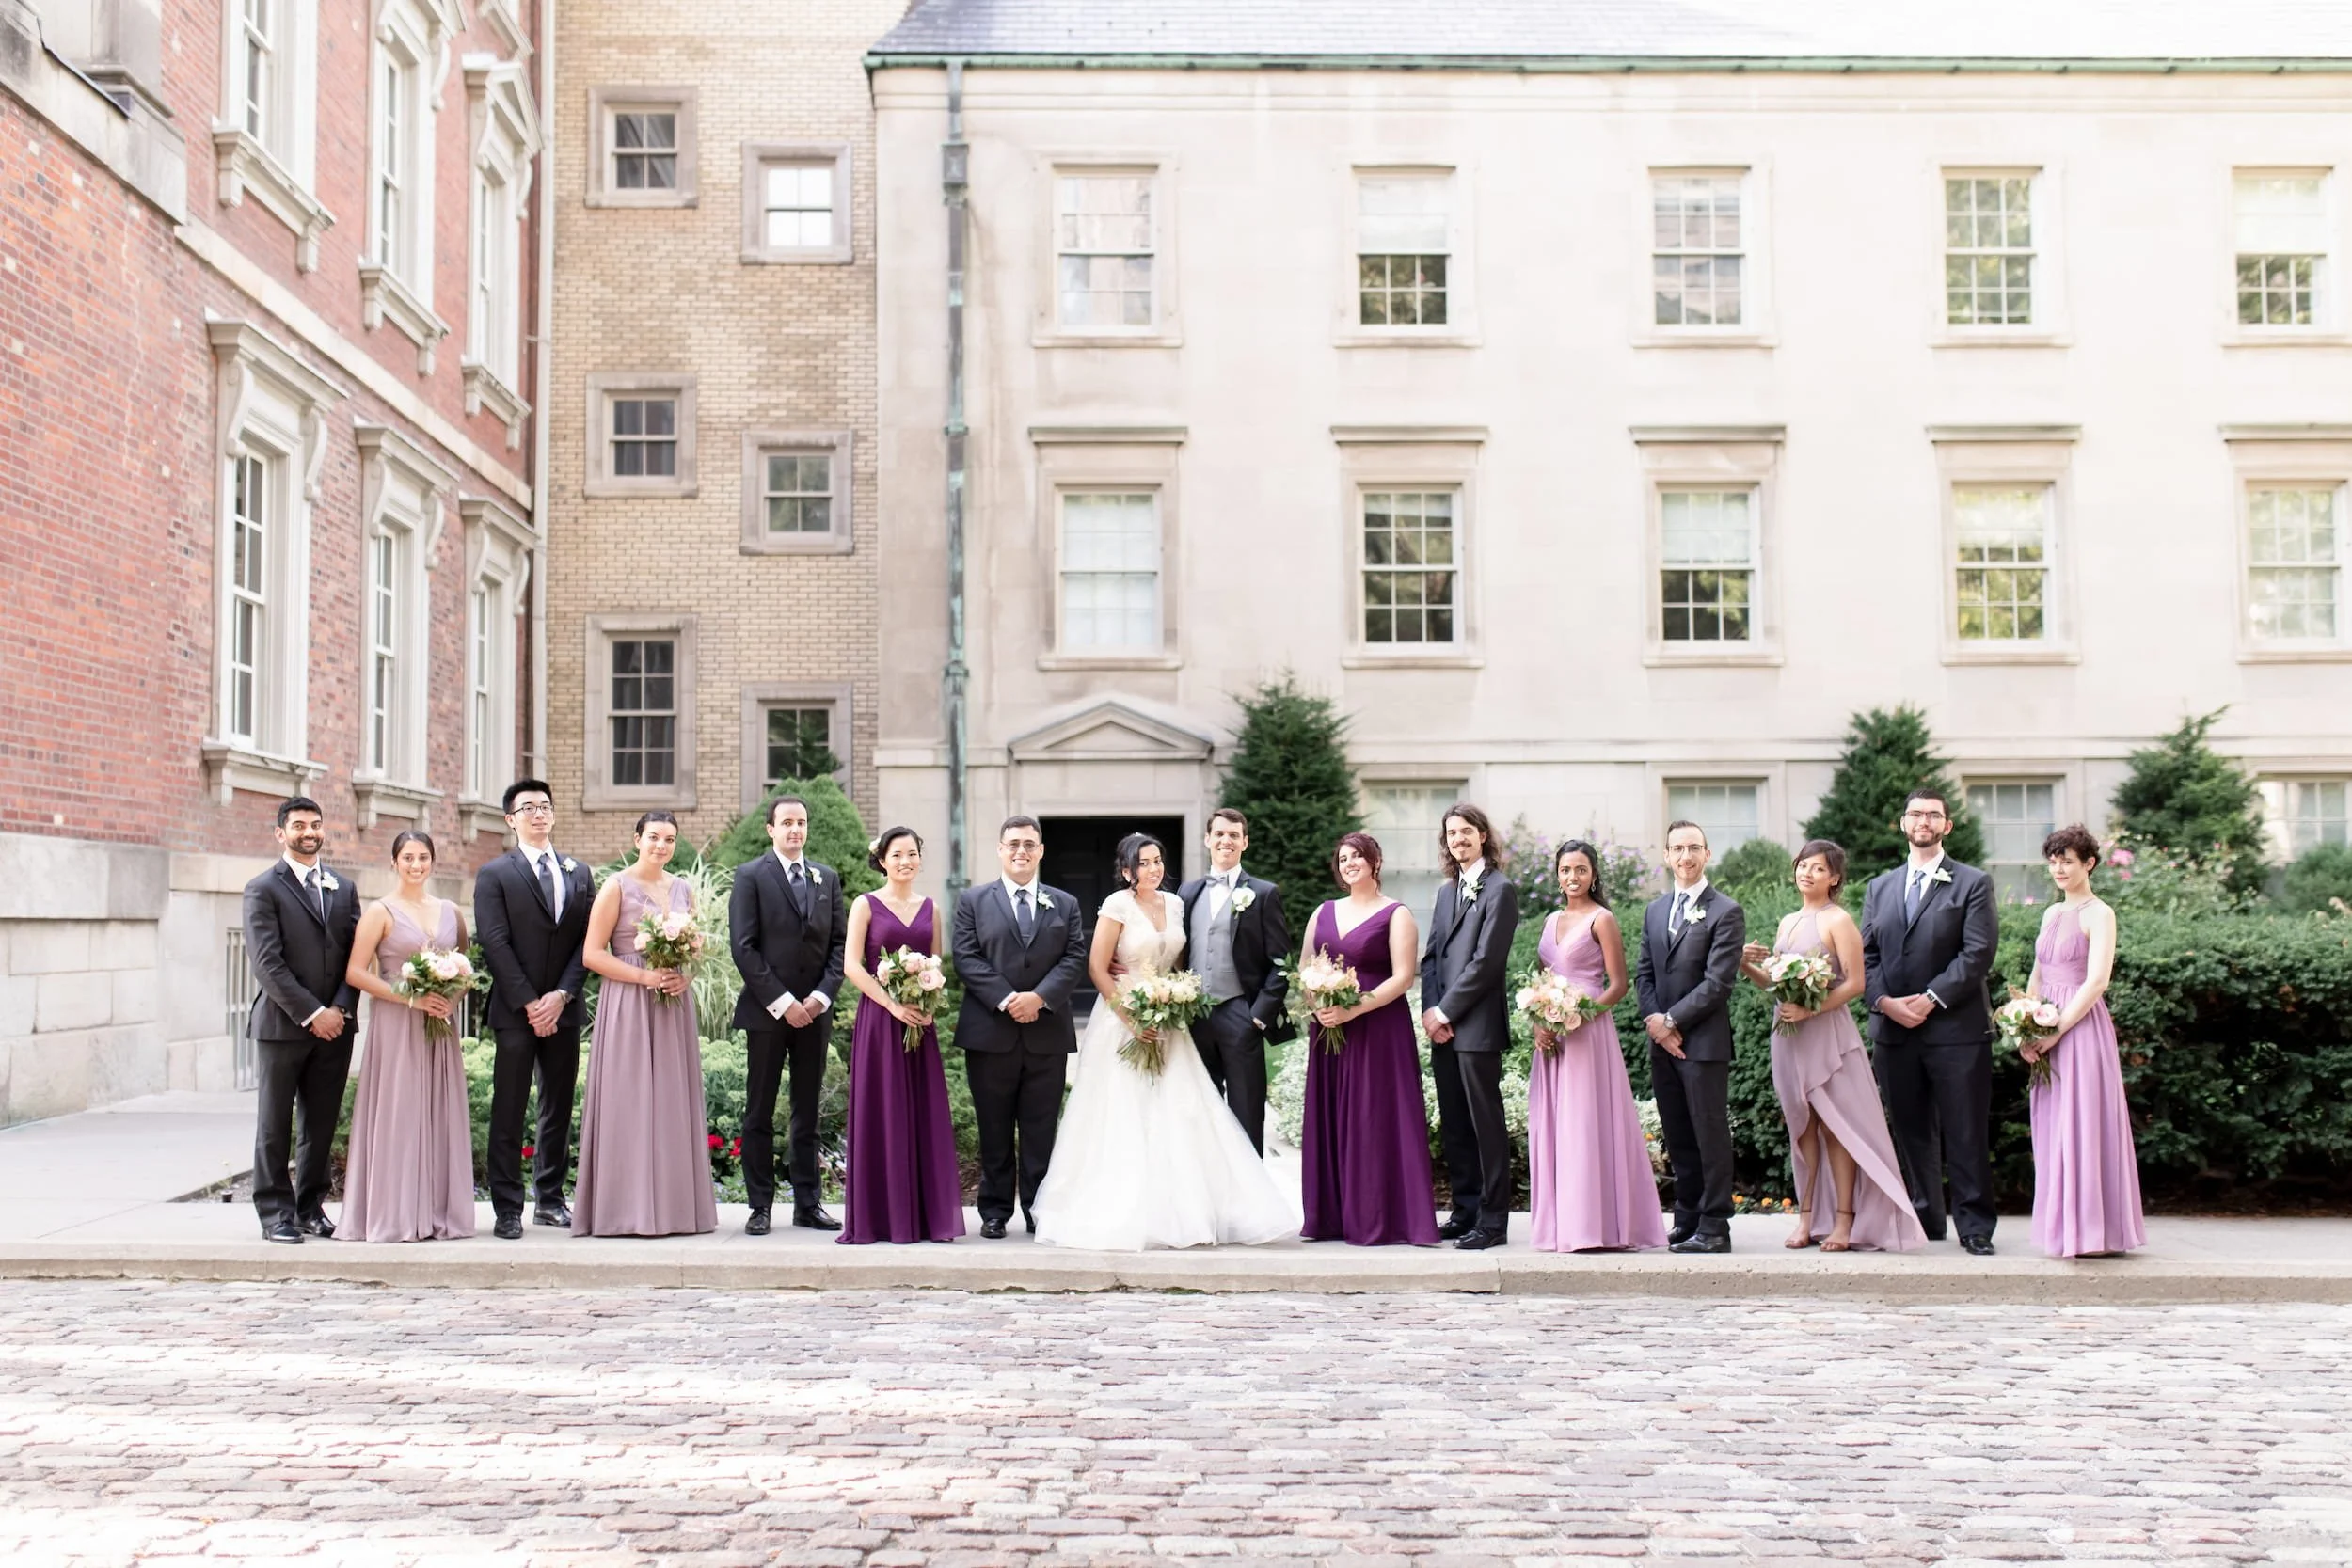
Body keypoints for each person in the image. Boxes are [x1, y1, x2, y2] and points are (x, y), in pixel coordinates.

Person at [1033, 833, 1300, 1250]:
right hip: (1123, 1018)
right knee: (1124, 1113)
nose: (1153, 869)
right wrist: (1131, 1016)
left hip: (1169, 1020)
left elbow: (1180, 962)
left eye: (1157, 861)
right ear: (1127, 871)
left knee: (1183, 1112)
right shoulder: (1116, 906)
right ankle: (1125, 1209)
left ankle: (1192, 1208)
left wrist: (1173, 1001)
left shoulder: (1176, 903)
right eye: (1143, 863)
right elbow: (1098, 968)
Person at [1739, 841, 1925, 1254]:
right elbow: (1775, 986)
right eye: (1802, 866)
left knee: (1837, 1127)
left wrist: (1811, 1011)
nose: (1807, 873)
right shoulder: (1788, 921)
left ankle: (1844, 1221)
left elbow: (1856, 984)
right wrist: (1743, 963)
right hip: (1787, 1036)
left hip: (1827, 1034)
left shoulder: (1839, 920)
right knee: (1801, 1126)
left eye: (1818, 868)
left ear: (1835, 877)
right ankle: (1807, 1219)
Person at [1861, 787, 2000, 1255]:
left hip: (1956, 1030)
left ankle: (1975, 1224)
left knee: (1965, 1129)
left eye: (1933, 815)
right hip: (1895, 1032)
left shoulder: (1972, 883)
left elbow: (1977, 952)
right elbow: (1868, 954)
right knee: (1909, 1127)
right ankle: (1925, 1216)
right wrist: (1884, 1002)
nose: (1924, 821)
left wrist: (1931, 998)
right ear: (1903, 824)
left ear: (1947, 826)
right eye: (1916, 814)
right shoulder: (1879, 887)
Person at [571, 812, 715, 1238]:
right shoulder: (616, 887)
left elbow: (697, 949)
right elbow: (592, 955)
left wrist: (683, 976)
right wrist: (644, 977)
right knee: (628, 1100)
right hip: (628, 1004)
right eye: (653, 837)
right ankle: (622, 1210)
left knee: (672, 1100)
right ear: (637, 839)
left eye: (669, 839)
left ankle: (673, 1210)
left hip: (671, 1004)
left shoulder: (684, 889)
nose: (661, 846)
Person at [950, 816, 1089, 1239]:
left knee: (1040, 1127)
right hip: (990, 1032)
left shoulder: (1064, 903)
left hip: (1046, 1033)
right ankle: (994, 1211)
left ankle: (1037, 1208)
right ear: (1000, 849)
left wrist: (1039, 998)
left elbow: (1074, 957)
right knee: (993, 1126)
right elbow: (966, 957)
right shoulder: (972, 901)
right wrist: (1009, 999)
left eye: (1029, 844)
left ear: (1041, 851)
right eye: (1013, 844)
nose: (1021, 852)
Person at [1526, 840, 1665, 1254]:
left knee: (1584, 1122)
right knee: (1553, 1124)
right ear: (1557, 874)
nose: (1573, 877)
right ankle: (1559, 1226)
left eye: (1581, 870)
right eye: (1566, 870)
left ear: (1593, 874)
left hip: (1588, 1030)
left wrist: (1578, 1015)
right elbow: (1543, 979)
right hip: (1552, 1032)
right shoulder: (1550, 920)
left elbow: (1619, 984)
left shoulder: (1602, 919)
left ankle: (1595, 1226)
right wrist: (1542, 1022)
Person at [1300, 832, 1438, 1247]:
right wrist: (1319, 1002)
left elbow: (1403, 976)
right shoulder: (1322, 912)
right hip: (1329, 1028)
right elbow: (1307, 966)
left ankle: (1381, 1217)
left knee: (1372, 1118)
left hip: (1379, 1030)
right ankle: (1331, 1216)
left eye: (1357, 856)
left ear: (1375, 863)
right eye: (1343, 858)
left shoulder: (1396, 914)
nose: (1349, 863)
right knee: (1333, 1115)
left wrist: (1353, 1008)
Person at [340, 831, 476, 1243]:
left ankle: (438, 1211)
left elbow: (467, 965)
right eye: (408, 858)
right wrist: (410, 999)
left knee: (438, 1109)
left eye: (423, 857)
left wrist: (453, 996)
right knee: (399, 1110)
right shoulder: (380, 912)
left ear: (433, 861)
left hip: (440, 1024)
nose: (416, 865)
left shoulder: (451, 910)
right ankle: (395, 1213)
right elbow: (356, 972)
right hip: (397, 1024)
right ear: (394, 862)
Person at [473, 779, 594, 1240]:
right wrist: (530, 1001)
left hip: (563, 1007)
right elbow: (494, 942)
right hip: (515, 1011)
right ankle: (507, 1207)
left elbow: (587, 939)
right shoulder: (495, 874)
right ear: (511, 820)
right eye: (528, 808)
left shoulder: (578, 872)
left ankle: (550, 1198)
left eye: (545, 806)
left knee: (557, 1107)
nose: (539, 814)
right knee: (509, 1107)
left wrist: (561, 995)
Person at [240, 797, 360, 1245]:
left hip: (336, 1027)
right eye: (298, 825)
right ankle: (275, 1214)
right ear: (281, 833)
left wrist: (341, 1011)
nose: (309, 832)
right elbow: (267, 963)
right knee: (275, 1123)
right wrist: (314, 1013)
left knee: (321, 1122)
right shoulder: (262, 888)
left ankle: (310, 1208)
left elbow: (355, 956)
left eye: (315, 824)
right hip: (283, 1026)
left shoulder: (343, 887)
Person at [837, 827, 965, 1245]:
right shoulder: (865, 905)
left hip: (919, 1024)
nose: (905, 861)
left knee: (920, 1110)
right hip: (880, 1021)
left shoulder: (931, 908)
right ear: (882, 860)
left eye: (912, 854)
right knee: (884, 1110)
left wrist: (926, 1003)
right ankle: (883, 1218)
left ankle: (926, 1218)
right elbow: (852, 967)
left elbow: (935, 964)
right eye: (897, 855)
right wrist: (892, 1004)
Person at [2022, 825, 2145, 1259]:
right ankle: (2063, 1228)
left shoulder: (2100, 913)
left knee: (2083, 1123)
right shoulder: (2051, 913)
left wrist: (2056, 1031)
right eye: (2053, 861)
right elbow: (2038, 973)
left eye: (2067, 861)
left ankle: (2094, 1232)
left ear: (2088, 864)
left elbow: (2097, 981)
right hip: (2045, 1023)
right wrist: (2026, 1024)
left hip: (2080, 1029)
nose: (2058, 868)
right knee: (2053, 1125)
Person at [728, 794, 849, 1235]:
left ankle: (807, 1203)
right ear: (770, 830)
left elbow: (840, 945)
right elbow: (744, 946)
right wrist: (783, 1002)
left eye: (801, 822)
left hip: (814, 1013)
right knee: (758, 1111)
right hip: (766, 1014)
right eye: (786, 822)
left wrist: (819, 998)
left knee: (807, 1111)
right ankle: (759, 1205)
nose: (795, 829)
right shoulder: (750, 876)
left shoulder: (827, 878)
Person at [1635, 819, 1747, 1254]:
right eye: (1678, 849)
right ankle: (1687, 1218)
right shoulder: (1655, 910)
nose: (1686, 856)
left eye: (1694, 848)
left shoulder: (1726, 911)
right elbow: (1645, 974)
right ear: (1666, 856)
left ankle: (1715, 1227)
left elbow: (1718, 983)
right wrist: (1655, 1024)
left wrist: (1673, 1022)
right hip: (1662, 1043)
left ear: (1707, 854)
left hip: (1703, 1043)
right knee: (1677, 1132)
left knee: (1709, 1133)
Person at [1420, 802, 1521, 1250]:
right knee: (1456, 1123)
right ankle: (1464, 1211)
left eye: (1466, 832)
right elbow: (1431, 958)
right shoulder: (1445, 893)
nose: (1458, 840)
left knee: (1485, 1123)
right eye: (1451, 834)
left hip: (1476, 1026)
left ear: (1482, 835)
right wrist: (1430, 1012)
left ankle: (1493, 1221)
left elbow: (1486, 963)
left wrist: (1446, 1012)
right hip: (1442, 1028)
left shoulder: (1500, 890)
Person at [1172, 808, 1295, 1154]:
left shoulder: (1264, 893)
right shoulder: (1188, 892)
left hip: (1240, 1013)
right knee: (1199, 1109)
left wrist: (1257, 1016)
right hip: (1194, 1016)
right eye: (1220, 834)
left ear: (1245, 842)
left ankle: (1249, 1196)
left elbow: (1281, 963)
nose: (1226, 841)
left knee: (1246, 1109)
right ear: (1207, 839)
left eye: (1234, 835)